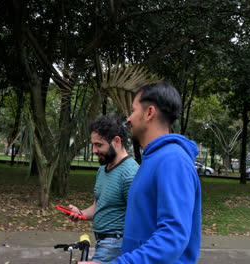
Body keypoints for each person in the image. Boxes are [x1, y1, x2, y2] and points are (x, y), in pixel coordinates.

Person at [80, 81, 202, 264]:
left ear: (149, 113)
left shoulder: (172, 160)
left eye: (133, 110)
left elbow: (172, 237)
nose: (128, 119)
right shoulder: (153, 159)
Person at [67, 115, 139, 264]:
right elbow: (98, 206)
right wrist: (80, 213)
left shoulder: (130, 174)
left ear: (117, 141)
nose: (94, 150)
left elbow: (140, 220)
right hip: (101, 242)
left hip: (117, 245)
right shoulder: (102, 170)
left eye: (99, 145)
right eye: (93, 145)